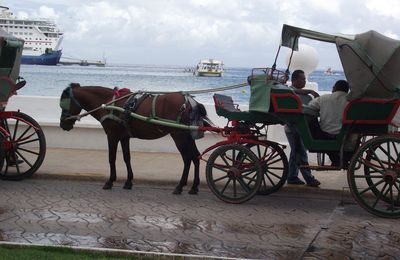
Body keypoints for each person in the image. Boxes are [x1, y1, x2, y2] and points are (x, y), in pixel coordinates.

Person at [284, 70, 321, 187]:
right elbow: (292, 91)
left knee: (296, 152)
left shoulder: (305, 96)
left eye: (305, 79)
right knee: (300, 153)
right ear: (295, 80)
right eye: (302, 79)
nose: (304, 81)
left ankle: (292, 176)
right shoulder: (290, 92)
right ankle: (309, 178)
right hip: (293, 127)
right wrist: (310, 91)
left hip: (302, 127)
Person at [306, 80, 350, 166]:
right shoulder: (351, 101)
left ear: (334, 88)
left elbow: (309, 107)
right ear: (347, 90)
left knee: (312, 121)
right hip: (344, 136)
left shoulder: (324, 98)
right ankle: (339, 159)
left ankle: (336, 159)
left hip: (325, 135)